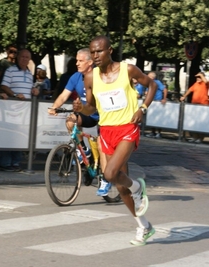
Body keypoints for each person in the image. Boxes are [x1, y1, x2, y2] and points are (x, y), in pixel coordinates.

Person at [74, 36, 158, 246]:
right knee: (121, 187)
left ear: (110, 50)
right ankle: (144, 227)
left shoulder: (127, 70)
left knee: (110, 174)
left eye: (99, 51)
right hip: (107, 131)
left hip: (128, 129)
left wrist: (143, 108)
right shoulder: (90, 77)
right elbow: (91, 108)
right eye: (92, 52)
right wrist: (80, 109)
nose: (95, 56)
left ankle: (138, 188)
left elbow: (153, 85)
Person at [48, 48, 110, 196]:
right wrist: (55, 107)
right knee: (70, 121)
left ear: (90, 62)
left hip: (103, 115)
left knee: (102, 145)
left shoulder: (99, 76)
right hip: (87, 114)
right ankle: (84, 151)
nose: (77, 63)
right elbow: (64, 95)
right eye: (76, 60)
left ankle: (106, 179)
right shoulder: (75, 77)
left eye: (80, 61)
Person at [0, 48, 39, 171]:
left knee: (21, 136)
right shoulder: (10, 70)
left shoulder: (29, 74)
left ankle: (15, 162)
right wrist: (15, 95)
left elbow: (29, 89)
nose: (24, 59)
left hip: (25, 111)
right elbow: (4, 86)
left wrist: (34, 91)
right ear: (17, 58)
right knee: (9, 135)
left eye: (27, 57)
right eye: (22, 57)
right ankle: (4, 163)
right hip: (11, 109)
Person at [180, 71, 209, 143]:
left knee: (201, 122)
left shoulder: (205, 84)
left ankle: (200, 138)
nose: (198, 78)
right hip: (195, 105)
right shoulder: (196, 84)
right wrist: (184, 96)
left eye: (199, 77)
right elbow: (190, 90)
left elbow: (206, 81)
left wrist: (201, 75)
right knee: (194, 121)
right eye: (197, 77)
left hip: (203, 105)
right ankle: (195, 137)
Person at [145, 71, 167, 139]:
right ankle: (153, 132)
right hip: (151, 101)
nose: (147, 77)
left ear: (152, 77)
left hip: (157, 102)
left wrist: (164, 98)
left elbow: (165, 89)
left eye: (148, 76)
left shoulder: (157, 82)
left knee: (158, 117)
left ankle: (159, 133)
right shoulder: (148, 83)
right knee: (151, 117)